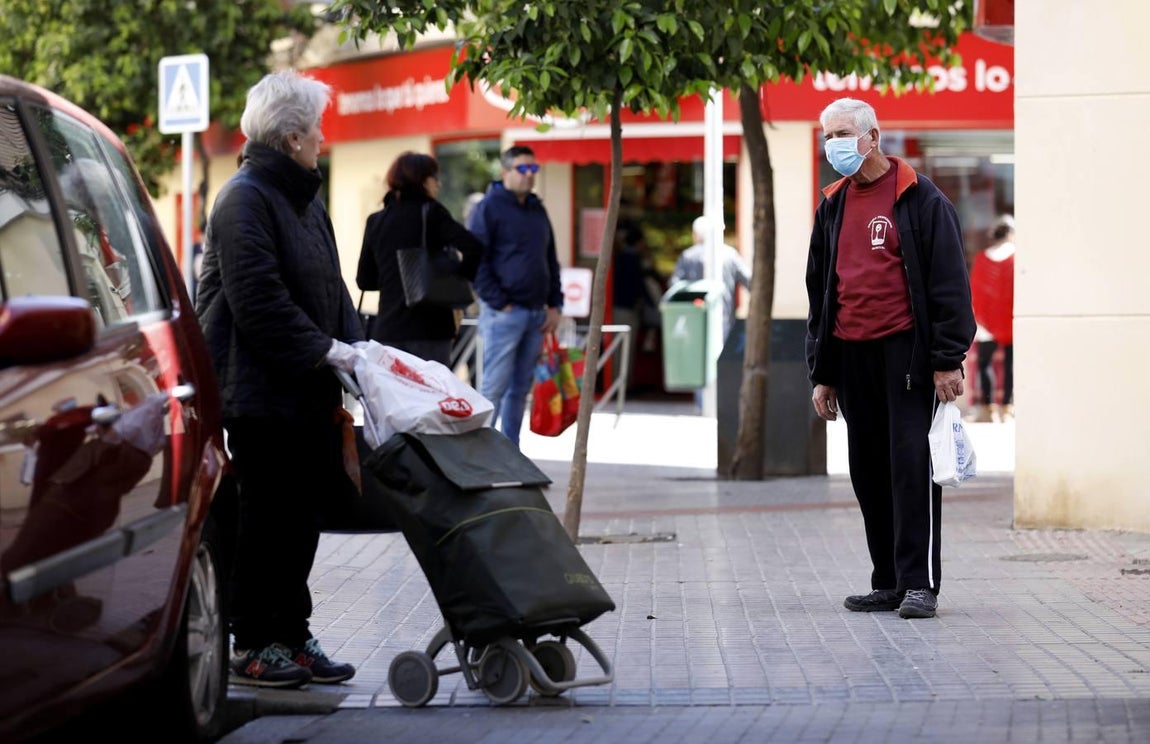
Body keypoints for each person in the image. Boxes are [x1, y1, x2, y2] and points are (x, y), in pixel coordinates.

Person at [196, 70, 365, 688]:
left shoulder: (305, 200)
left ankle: (292, 634)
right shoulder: (243, 199)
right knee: (267, 519)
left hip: (309, 387)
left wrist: (362, 354)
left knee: (300, 520)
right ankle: (251, 641)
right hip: (258, 392)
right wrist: (327, 352)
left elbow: (333, 288)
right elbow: (259, 302)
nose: (322, 137)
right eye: (316, 128)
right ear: (293, 137)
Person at [804, 98, 975, 620]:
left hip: (907, 355)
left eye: (841, 134)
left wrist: (947, 359)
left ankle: (919, 583)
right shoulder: (832, 205)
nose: (832, 145)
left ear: (872, 137)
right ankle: (888, 582)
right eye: (827, 136)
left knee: (910, 470)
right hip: (851, 354)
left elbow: (950, 284)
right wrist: (823, 373)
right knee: (868, 471)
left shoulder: (921, 199)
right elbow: (821, 293)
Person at [467, 145, 563, 447]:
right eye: (523, 169)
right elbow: (475, 260)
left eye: (534, 169)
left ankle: (510, 453)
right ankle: (480, 457)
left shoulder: (537, 208)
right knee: (493, 388)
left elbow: (550, 258)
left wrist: (555, 304)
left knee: (520, 390)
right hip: (504, 314)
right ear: (506, 172)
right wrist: (499, 302)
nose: (529, 175)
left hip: (536, 312)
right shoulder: (489, 207)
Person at [355, 151, 483, 366]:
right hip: (430, 330)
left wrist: (394, 278)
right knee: (432, 387)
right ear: (421, 180)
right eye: (434, 177)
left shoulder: (376, 221)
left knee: (393, 389)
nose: (438, 184)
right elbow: (474, 248)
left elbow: (365, 281)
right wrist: (452, 277)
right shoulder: (432, 213)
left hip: (389, 331)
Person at [670, 215, 752, 342]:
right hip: (725, 317)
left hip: (694, 318)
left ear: (696, 235)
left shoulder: (688, 257)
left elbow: (674, 285)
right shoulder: (730, 255)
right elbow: (750, 282)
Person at [968, 214, 1015, 423]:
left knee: (984, 363)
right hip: (1011, 318)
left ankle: (989, 408)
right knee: (1010, 363)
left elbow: (976, 289)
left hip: (986, 322)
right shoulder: (1016, 256)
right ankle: (1007, 406)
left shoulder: (982, 258)